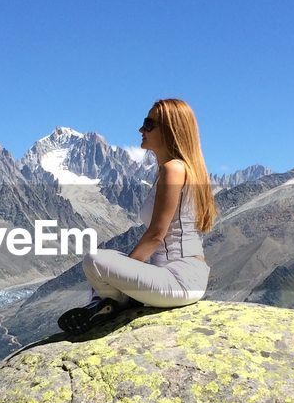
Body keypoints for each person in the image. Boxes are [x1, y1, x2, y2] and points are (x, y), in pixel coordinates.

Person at [58, 98, 216, 333]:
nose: (141, 129)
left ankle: (107, 303)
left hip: (179, 280)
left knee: (94, 260)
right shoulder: (176, 169)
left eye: (149, 124)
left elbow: (156, 235)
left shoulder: (174, 169)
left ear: (171, 129)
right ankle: (108, 304)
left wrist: (118, 278)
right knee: (104, 257)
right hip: (176, 276)